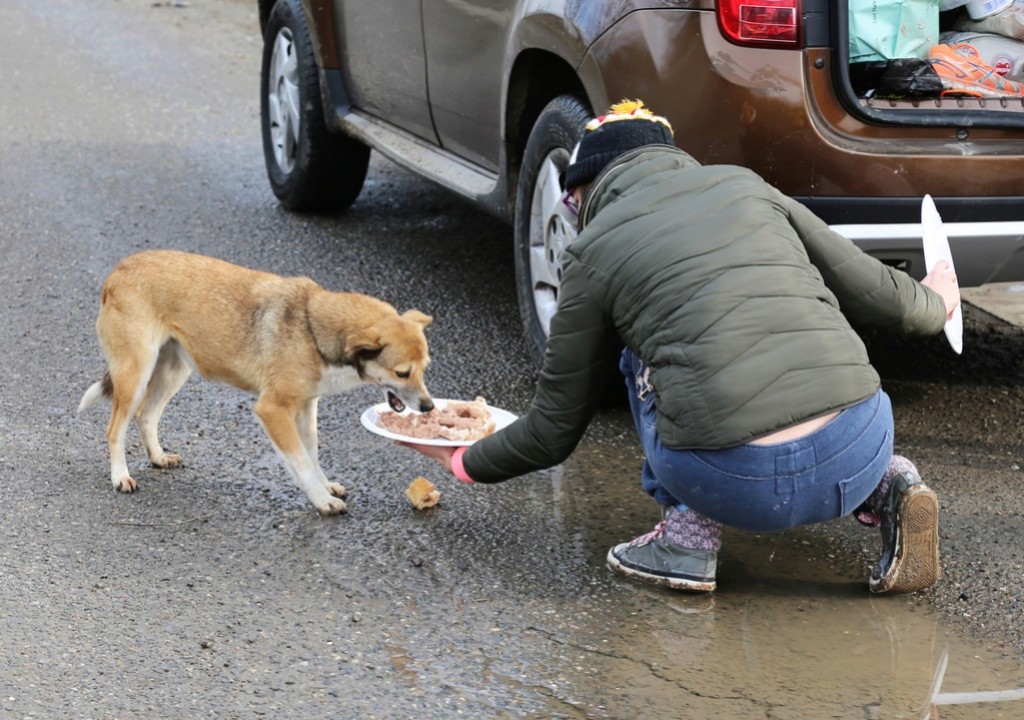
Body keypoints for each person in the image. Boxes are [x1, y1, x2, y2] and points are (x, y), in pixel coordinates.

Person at [400, 99, 961, 594]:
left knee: (634, 355)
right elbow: (887, 299)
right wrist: (937, 298)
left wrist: (464, 462)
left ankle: (685, 545)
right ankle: (890, 484)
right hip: (857, 448)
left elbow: (553, 431)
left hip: (730, 486)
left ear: (581, 191)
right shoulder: (746, 186)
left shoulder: (593, 251)